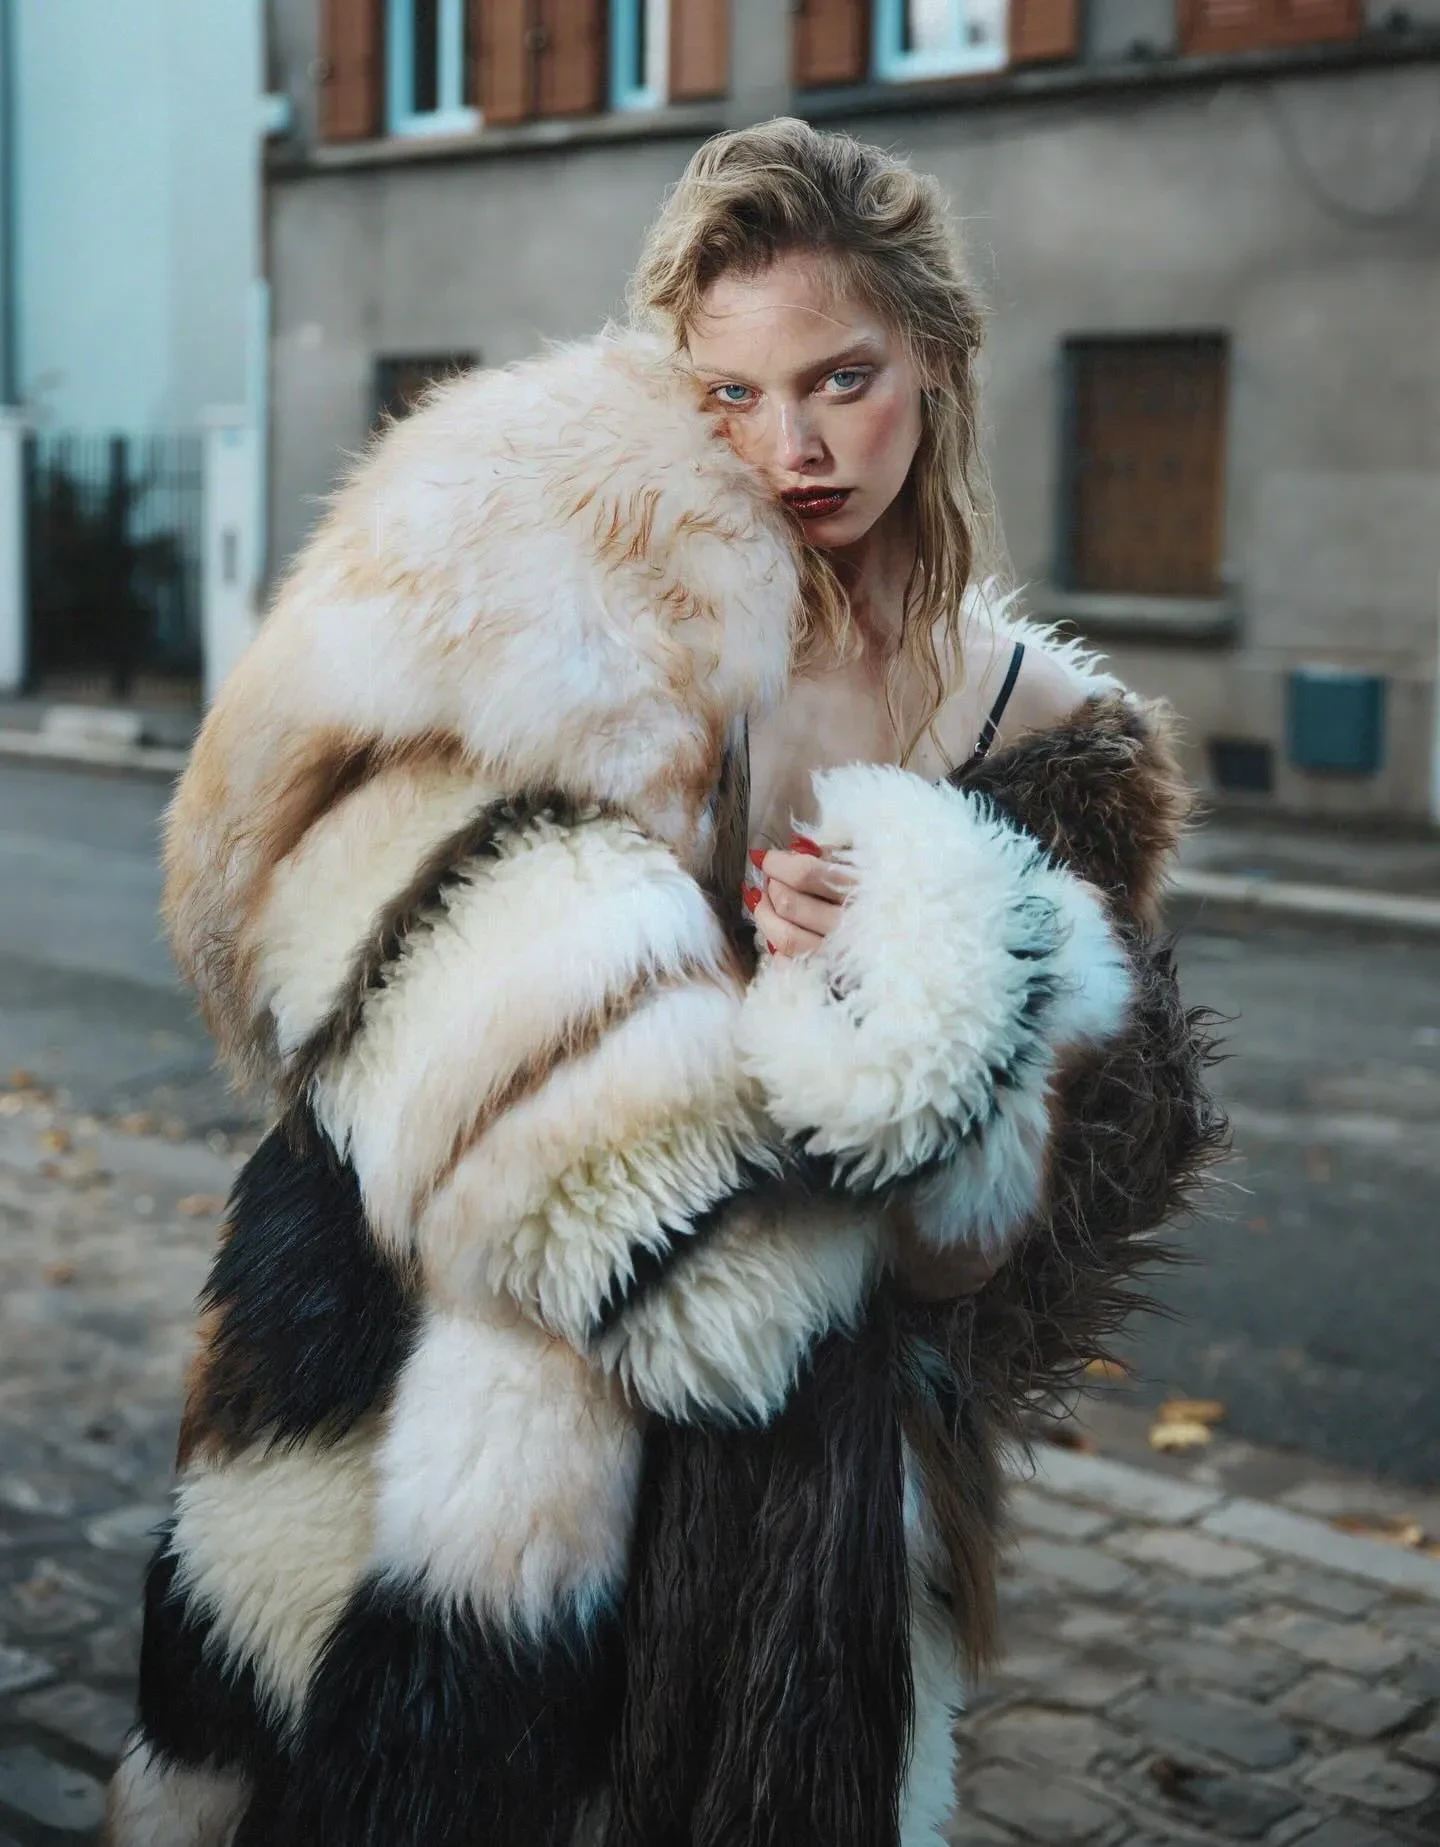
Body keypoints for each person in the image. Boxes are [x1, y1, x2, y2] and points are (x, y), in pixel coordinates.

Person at [105, 120, 1220, 1847]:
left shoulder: (1054, 742)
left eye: (841, 380)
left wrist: (919, 968)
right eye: (732, 395)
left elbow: (986, 1260)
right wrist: (619, 1010)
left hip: (799, 1479)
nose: (792, 448)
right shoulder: (595, 610)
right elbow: (304, 914)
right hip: (474, 1382)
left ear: (934, 359)